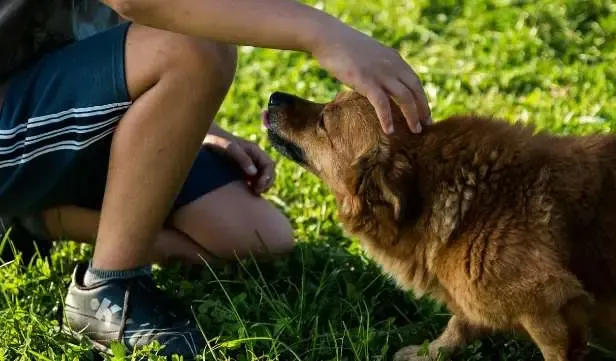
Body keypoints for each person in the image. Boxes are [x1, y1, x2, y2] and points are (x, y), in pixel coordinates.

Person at [0, 0, 432, 357]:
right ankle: (109, 289)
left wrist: (194, 122)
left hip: (61, 103)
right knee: (198, 47)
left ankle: (38, 216)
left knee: (255, 237)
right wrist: (324, 34)